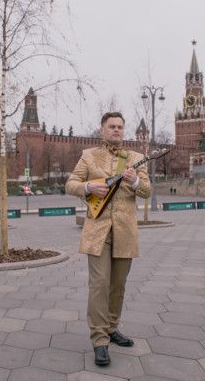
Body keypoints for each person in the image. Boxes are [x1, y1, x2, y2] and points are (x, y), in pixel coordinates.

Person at [66, 111, 151, 367]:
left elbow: (147, 192)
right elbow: (71, 183)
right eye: (112, 126)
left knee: (118, 286)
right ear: (102, 129)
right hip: (97, 232)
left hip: (125, 232)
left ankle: (112, 328)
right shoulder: (89, 155)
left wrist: (135, 180)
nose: (116, 130)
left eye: (120, 127)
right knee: (99, 285)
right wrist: (89, 188)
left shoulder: (135, 158)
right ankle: (100, 340)